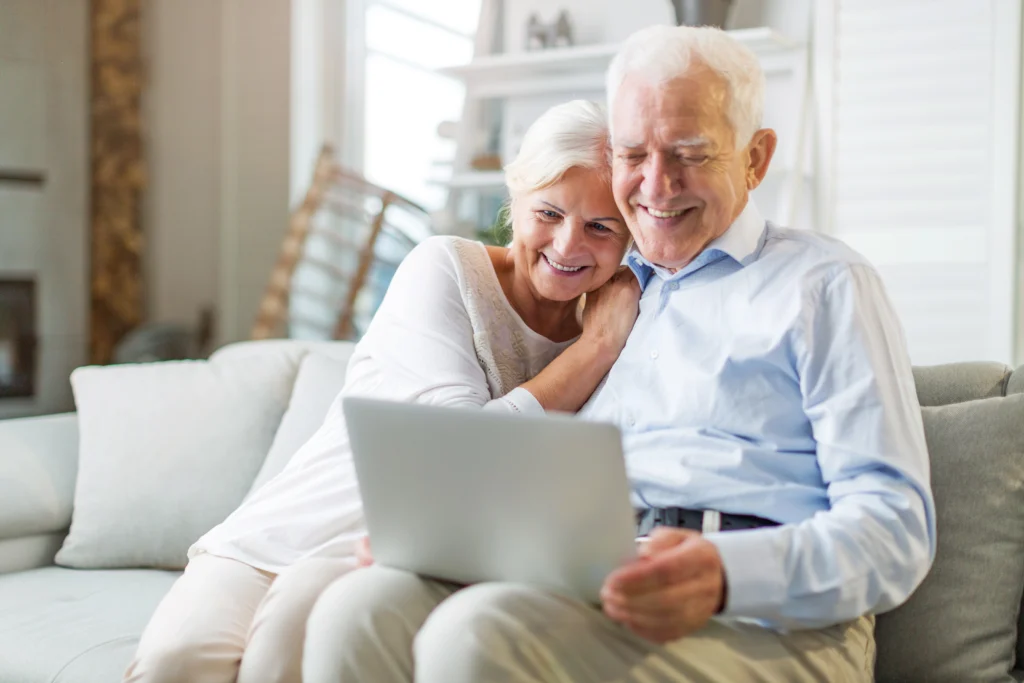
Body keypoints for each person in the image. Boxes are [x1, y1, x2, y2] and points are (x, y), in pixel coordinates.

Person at [302, 24, 936, 683]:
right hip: (590, 578)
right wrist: (442, 536)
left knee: (476, 634)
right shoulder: (606, 288)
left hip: (768, 622)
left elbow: (896, 529)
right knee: (358, 608)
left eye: (690, 153)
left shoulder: (825, 284)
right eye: (634, 154)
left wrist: (725, 574)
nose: (657, 186)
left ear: (755, 156)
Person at [123, 99, 638, 683]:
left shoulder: (628, 324)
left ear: (630, 237)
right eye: (548, 212)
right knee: (173, 664)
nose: (569, 246)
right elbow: (456, 445)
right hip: (283, 530)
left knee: (279, 662)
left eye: (601, 227)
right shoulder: (444, 268)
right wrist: (593, 351)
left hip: (387, 560)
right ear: (515, 199)